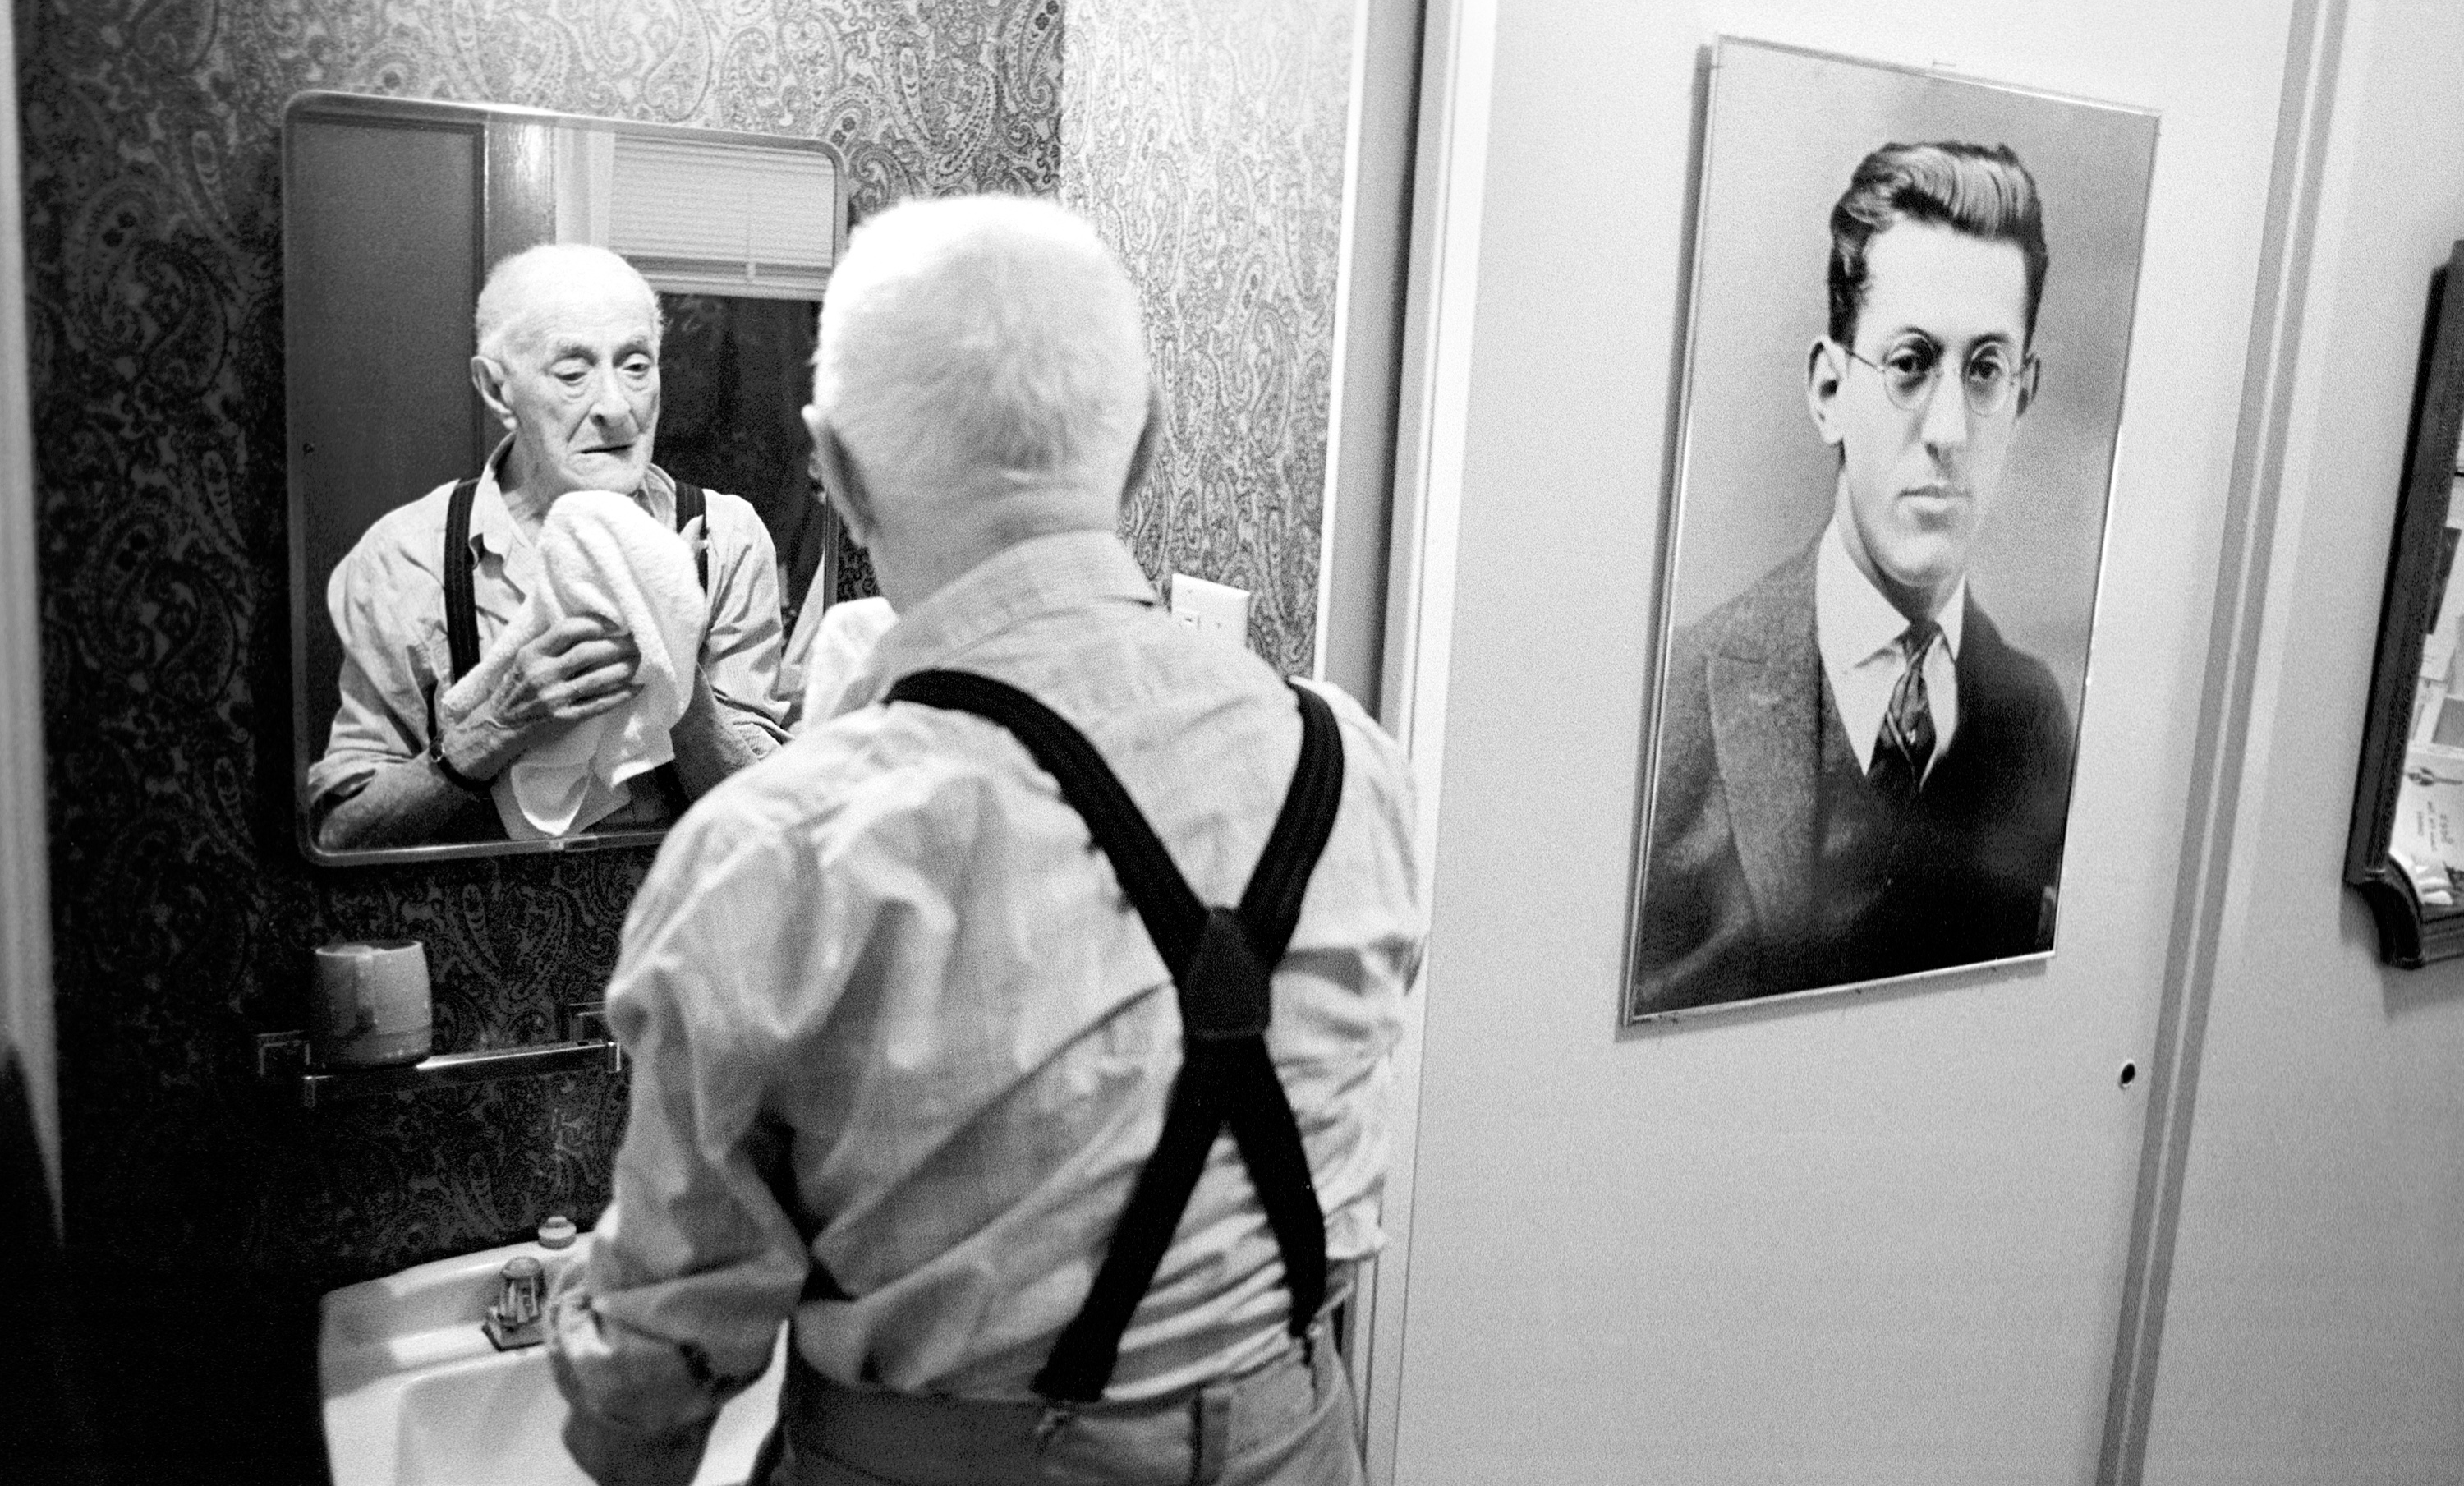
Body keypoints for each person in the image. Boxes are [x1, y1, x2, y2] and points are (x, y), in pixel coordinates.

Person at [544, 195, 1427, 1486]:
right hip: (1304, 1446)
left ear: (834, 471)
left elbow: (662, 1368)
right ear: (1144, 448)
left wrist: (600, 1359)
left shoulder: (784, 851)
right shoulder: (1350, 761)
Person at [1631, 141, 2076, 1017]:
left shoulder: (2035, 719)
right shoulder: (1681, 696)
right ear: (1830, 389)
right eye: (1910, 363)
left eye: (1985, 370)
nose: (1949, 427)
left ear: (2022, 396)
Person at [306, 243, 790, 850]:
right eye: (573, 373)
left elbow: (776, 822)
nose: (617, 408)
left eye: (637, 365)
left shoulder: (726, 539)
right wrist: (496, 725)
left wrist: (678, 678)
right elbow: (339, 834)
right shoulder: (407, 558)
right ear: (495, 388)